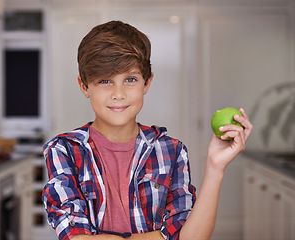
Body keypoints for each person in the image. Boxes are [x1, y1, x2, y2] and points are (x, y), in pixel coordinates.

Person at [42, 20, 253, 240]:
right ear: (84, 86)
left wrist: (215, 167)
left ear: (147, 83)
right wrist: (161, 237)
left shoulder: (172, 151)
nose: (119, 93)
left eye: (130, 79)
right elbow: (77, 238)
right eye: (105, 81)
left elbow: (190, 237)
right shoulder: (63, 150)